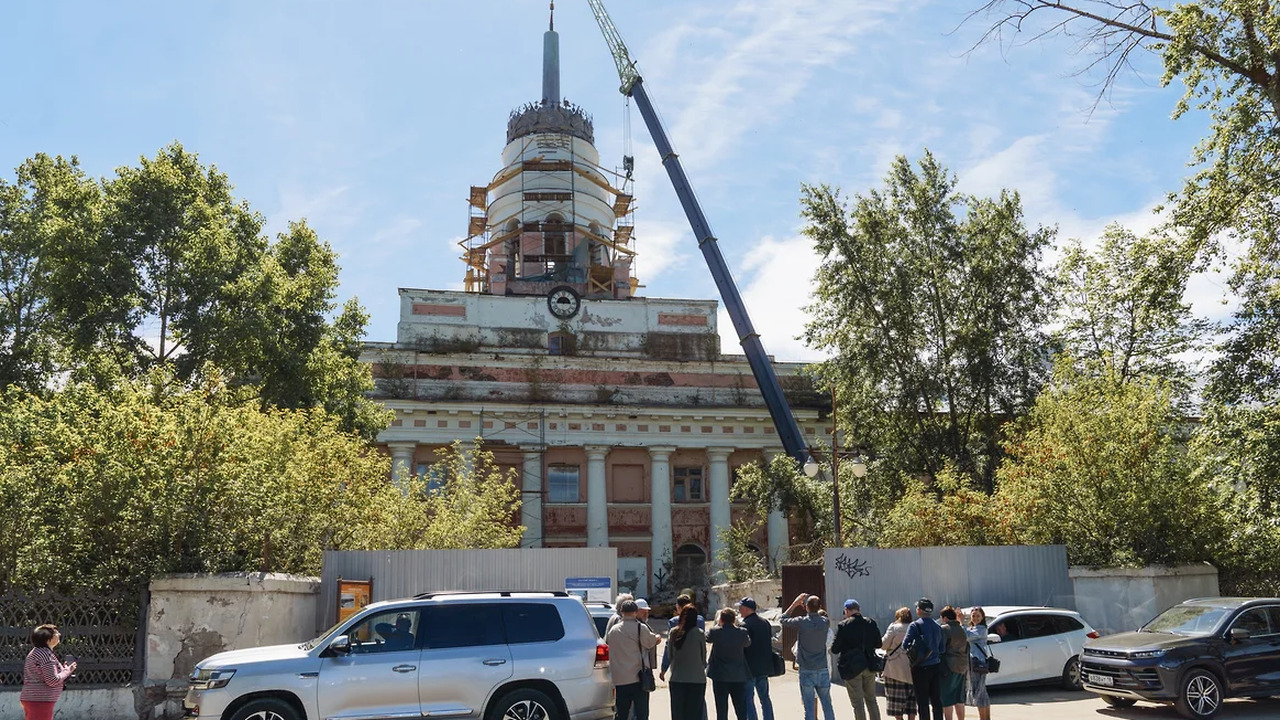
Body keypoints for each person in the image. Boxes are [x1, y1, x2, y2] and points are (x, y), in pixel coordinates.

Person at [779, 593, 837, 720]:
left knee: (809, 706)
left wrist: (795, 603)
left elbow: (783, 619)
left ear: (806, 607)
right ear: (820, 606)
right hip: (822, 668)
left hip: (806, 669)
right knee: (827, 704)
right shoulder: (825, 622)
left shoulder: (802, 622)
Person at [605, 600, 660, 720]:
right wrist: (657, 637)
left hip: (620, 679)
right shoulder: (640, 628)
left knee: (622, 714)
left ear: (621, 612)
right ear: (635, 612)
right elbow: (651, 642)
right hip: (638, 678)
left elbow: (607, 644)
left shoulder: (613, 630)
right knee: (642, 714)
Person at [831, 599, 882, 720]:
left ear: (847, 610)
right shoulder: (870, 623)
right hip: (869, 665)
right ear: (859, 610)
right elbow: (879, 644)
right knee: (871, 700)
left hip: (852, 668)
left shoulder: (843, 625)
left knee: (858, 703)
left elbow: (835, 649)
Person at [21, 624, 76, 720]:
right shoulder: (45, 655)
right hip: (40, 700)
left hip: (34, 698)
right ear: (48, 639)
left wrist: (62, 670)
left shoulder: (38, 652)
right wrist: (67, 671)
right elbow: (52, 680)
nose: (59, 634)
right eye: (55, 633)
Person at [705, 607, 752, 720]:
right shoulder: (742, 632)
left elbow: (707, 638)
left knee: (721, 709)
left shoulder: (715, 632)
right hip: (738, 675)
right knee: (741, 708)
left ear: (721, 619)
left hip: (719, 675)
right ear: (734, 619)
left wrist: (717, 625)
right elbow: (747, 643)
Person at [903, 597, 945, 720]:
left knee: (923, 702)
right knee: (936, 700)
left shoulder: (914, 625)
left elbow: (905, 645)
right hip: (935, 666)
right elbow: (942, 649)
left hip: (920, 667)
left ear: (919, 610)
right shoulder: (938, 627)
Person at [667, 605, 708, 720]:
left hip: (677, 678)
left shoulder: (673, 632)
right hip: (697, 679)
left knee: (678, 714)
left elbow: (670, 656)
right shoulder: (699, 633)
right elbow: (703, 657)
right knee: (695, 714)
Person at [738, 597, 775, 720]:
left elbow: (742, 646)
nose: (739, 610)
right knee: (764, 697)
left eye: (741, 607)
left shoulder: (744, 625)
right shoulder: (765, 623)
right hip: (764, 666)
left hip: (749, 668)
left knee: (748, 698)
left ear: (747, 609)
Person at [881, 607, 917, 720]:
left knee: (896, 705)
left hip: (895, 669)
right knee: (912, 704)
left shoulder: (894, 627)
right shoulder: (915, 627)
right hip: (913, 668)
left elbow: (883, 645)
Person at [661, 594, 705, 681]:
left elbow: (668, 646)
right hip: (696, 664)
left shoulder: (673, 623)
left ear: (678, 606)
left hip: (679, 665)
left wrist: (664, 668)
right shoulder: (700, 620)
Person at [938, 606, 969, 720]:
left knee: (947, 698)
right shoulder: (962, 629)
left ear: (945, 618)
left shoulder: (945, 629)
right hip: (962, 665)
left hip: (949, 666)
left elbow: (941, 648)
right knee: (959, 698)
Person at [965, 608, 991, 720]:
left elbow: (966, 636)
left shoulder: (981, 629)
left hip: (978, 662)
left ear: (982, 617)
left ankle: (984, 717)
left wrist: (961, 623)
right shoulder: (973, 628)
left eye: (978, 616)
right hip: (975, 662)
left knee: (978, 692)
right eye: (973, 615)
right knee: (982, 691)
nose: (975, 618)